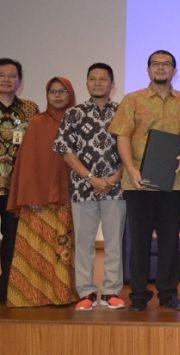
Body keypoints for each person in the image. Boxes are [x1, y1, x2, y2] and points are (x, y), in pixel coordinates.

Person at [108, 50, 180, 311]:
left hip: (173, 184)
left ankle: (169, 294)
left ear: (174, 70)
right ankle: (138, 295)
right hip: (138, 182)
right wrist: (130, 169)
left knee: (170, 240)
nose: (161, 68)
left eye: (166, 64)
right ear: (148, 70)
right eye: (156, 64)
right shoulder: (132, 100)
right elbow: (122, 136)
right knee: (139, 240)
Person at [53, 63, 126, 311]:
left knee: (114, 242)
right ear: (86, 83)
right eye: (93, 79)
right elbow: (64, 149)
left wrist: (116, 177)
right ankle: (85, 292)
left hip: (116, 188)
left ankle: (111, 292)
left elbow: (133, 151)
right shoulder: (74, 113)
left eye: (103, 79)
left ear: (112, 84)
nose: (97, 83)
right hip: (82, 188)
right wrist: (90, 178)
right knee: (83, 243)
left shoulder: (122, 112)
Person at [5, 76, 78, 307]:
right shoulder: (37, 122)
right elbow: (27, 164)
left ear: (70, 94)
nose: (57, 96)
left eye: (62, 91)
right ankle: (32, 296)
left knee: (63, 248)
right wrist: (29, 196)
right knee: (35, 250)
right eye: (52, 92)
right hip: (37, 200)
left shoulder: (77, 121)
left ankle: (62, 294)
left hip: (67, 198)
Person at [0, 58, 39, 303]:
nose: (6, 80)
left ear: (20, 81)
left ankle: (6, 291)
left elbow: (36, 148)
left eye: (12, 76)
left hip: (16, 189)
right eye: (2, 75)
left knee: (12, 242)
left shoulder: (30, 110)